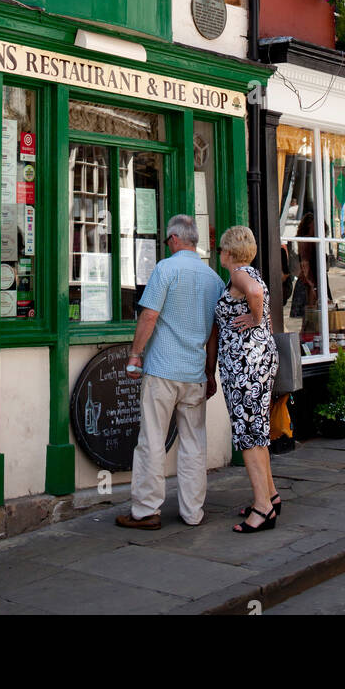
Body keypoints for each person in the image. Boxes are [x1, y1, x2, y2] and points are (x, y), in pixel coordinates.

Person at [116, 215, 224, 530]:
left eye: (167, 240)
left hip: (163, 370)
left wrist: (135, 355)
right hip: (194, 373)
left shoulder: (166, 269)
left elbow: (149, 315)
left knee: (152, 440)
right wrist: (210, 371)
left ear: (174, 239)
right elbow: (214, 333)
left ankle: (147, 510)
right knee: (194, 444)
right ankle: (193, 512)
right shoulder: (213, 278)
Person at [214, 225, 280, 533]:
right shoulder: (251, 272)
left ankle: (263, 509)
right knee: (258, 430)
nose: (219, 254)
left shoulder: (241, 275)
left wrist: (254, 319)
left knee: (249, 435)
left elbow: (253, 294)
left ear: (228, 252)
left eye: (220, 249)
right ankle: (270, 495)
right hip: (255, 362)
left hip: (246, 367)